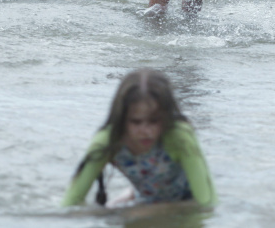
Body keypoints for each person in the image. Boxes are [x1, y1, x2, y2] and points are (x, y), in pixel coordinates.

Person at [61, 68, 217, 214]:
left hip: (184, 203)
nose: (145, 131)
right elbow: (70, 204)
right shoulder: (108, 141)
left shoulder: (179, 137)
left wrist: (144, 212)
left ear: (165, 117)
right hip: (145, 199)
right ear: (122, 119)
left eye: (154, 121)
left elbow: (207, 203)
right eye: (136, 122)